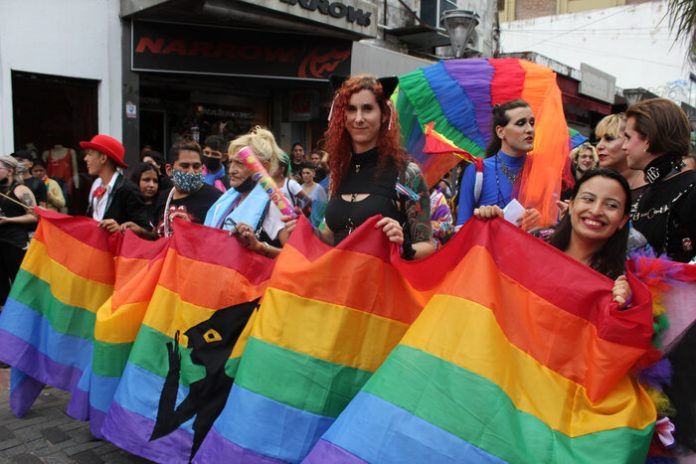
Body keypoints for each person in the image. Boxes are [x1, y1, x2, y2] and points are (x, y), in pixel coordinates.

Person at [316, 74, 434, 259]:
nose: (358, 118)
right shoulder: (339, 171)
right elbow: (330, 238)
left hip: (384, 285)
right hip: (339, 285)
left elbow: (428, 245)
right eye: (351, 109)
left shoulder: (407, 174)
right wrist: (301, 229)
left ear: (384, 115)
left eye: (367, 109)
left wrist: (403, 247)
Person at [475, 168, 632, 303]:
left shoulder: (622, 278)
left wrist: (624, 303)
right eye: (588, 199)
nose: (596, 211)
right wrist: (492, 232)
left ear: (623, 220)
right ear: (571, 205)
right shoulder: (537, 241)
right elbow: (493, 278)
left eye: (611, 205)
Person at [624, 98, 696, 263]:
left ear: (648, 140)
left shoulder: (692, 189)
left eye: (628, 137)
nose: (624, 146)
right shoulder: (647, 191)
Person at [455, 99, 540, 231]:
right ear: (500, 132)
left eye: (532, 123)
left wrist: (542, 220)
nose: (530, 130)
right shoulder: (477, 171)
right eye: (521, 123)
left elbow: (554, 230)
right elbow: (461, 231)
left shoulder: (542, 171)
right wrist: (482, 218)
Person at [204, 127, 289, 258]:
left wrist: (260, 247)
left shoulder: (273, 204)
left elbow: (295, 257)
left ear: (263, 167)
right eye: (231, 162)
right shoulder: (229, 198)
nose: (231, 170)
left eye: (239, 163)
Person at [81, 134, 149, 233]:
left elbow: (148, 232)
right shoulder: (96, 184)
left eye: (90, 154)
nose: (85, 158)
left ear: (103, 158)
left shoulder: (128, 190)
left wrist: (121, 229)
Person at [154, 141, 222, 236]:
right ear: (169, 170)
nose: (191, 172)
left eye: (196, 166)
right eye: (185, 166)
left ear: (202, 168)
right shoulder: (163, 197)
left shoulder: (216, 199)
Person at [0, 155, 37, 307]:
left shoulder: (21, 189)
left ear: (9, 171)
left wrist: (8, 220)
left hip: (15, 244)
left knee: (19, 285)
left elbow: (34, 217)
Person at [595, 113, 645, 198]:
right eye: (598, 139)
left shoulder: (653, 186)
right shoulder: (593, 182)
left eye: (609, 138)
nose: (599, 146)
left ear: (629, 140)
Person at [120, 162, 161, 238]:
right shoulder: (126, 206)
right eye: (146, 180)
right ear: (136, 180)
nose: (151, 185)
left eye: (155, 181)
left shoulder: (162, 208)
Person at [300, 162, 328, 228]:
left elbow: (323, 209)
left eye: (307, 173)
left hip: (315, 225)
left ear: (313, 174)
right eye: (303, 173)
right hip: (301, 223)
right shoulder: (299, 188)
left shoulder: (319, 189)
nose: (305, 175)